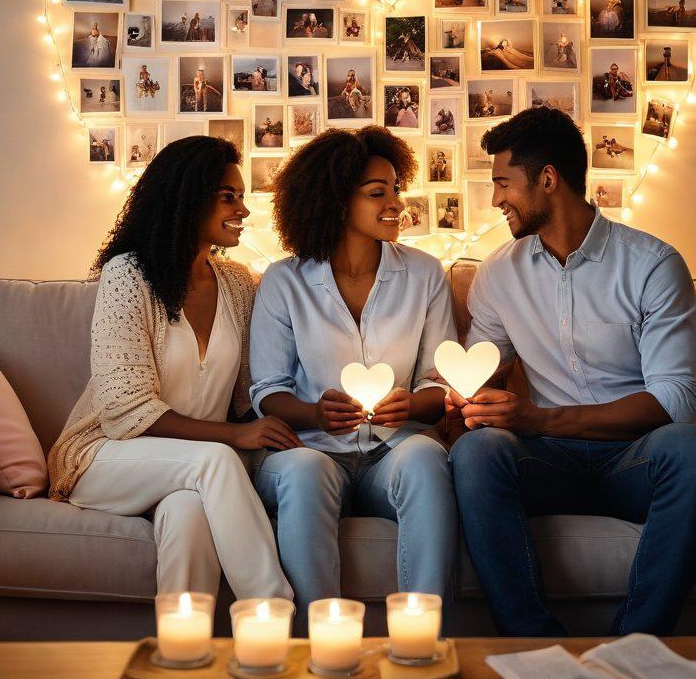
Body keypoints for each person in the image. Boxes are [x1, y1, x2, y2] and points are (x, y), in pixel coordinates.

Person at [443, 107, 696, 637]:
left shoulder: (652, 265)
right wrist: (469, 397)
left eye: (503, 183)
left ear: (547, 179)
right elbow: (484, 365)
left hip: (635, 458)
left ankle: (634, 648)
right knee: (477, 452)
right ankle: (534, 649)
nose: (496, 199)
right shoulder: (497, 273)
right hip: (547, 466)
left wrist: (540, 420)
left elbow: (675, 400)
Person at [48, 138, 297, 601]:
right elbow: (125, 411)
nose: (243, 209)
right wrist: (235, 437)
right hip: (107, 455)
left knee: (188, 514)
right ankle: (276, 614)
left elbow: (247, 396)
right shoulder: (128, 275)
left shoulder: (238, 284)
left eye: (242, 197)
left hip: (184, 471)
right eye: (229, 197)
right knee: (217, 460)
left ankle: (184, 656)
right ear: (187, 197)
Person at [249, 127, 459, 629]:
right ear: (337, 202)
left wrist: (412, 405)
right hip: (312, 451)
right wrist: (315, 413)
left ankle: (423, 640)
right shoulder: (284, 280)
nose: (395, 203)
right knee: (304, 472)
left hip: (393, 450)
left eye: (395, 189)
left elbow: (440, 381)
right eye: (377, 192)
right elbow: (267, 391)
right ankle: (321, 642)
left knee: (428, 457)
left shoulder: (426, 274)